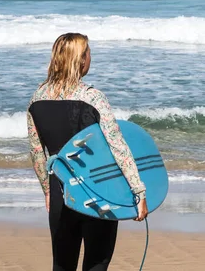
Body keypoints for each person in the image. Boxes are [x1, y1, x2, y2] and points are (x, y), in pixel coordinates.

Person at [27, 33, 148, 271]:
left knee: (62, 265)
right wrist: (139, 191)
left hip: (61, 192)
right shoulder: (93, 98)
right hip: (98, 191)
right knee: (97, 263)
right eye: (88, 52)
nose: (91, 57)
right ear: (80, 60)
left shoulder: (37, 98)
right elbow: (118, 147)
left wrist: (47, 191)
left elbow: (37, 153)